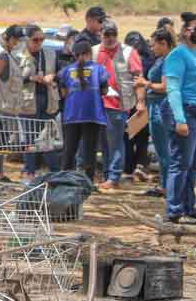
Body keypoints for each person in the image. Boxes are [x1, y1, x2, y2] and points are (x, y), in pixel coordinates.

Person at [162, 12, 196, 223]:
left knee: (194, 165)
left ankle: (189, 208)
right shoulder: (177, 55)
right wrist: (180, 119)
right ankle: (174, 210)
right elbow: (172, 89)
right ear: (185, 31)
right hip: (186, 113)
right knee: (180, 164)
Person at [94, 19, 144, 190]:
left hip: (118, 105)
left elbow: (138, 79)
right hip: (97, 105)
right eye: (106, 34)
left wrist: (140, 102)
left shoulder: (129, 52)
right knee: (104, 142)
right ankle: (108, 174)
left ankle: (114, 176)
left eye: (113, 34)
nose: (110, 38)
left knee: (115, 141)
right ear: (101, 34)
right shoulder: (94, 51)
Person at [0, 24, 32, 181]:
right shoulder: (2, 55)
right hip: (1, 105)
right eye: (15, 40)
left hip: (8, 106)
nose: (18, 43)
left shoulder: (10, 55)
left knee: (1, 140)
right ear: (8, 38)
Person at [58, 40, 109, 180]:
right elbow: (104, 91)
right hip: (92, 115)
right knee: (89, 151)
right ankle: (87, 182)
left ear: (74, 54)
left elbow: (63, 94)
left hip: (71, 115)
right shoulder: (99, 70)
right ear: (90, 53)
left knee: (69, 150)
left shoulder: (66, 71)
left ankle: (64, 180)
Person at [134, 29, 175, 197]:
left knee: (164, 149)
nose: (151, 49)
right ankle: (164, 183)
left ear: (163, 43)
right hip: (154, 106)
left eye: (153, 45)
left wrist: (146, 83)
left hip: (162, 107)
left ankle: (167, 186)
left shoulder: (169, 61)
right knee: (160, 149)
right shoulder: (161, 60)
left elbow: (165, 87)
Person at [19, 24, 61, 181]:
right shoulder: (18, 55)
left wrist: (53, 76)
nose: (39, 43)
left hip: (48, 100)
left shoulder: (50, 54)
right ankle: (29, 171)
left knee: (47, 138)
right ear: (27, 40)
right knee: (30, 138)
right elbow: (11, 79)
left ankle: (55, 172)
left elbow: (59, 72)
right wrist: (30, 78)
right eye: (35, 40)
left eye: (42, 39)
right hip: (27, 102)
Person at [123, 30, 152, 181]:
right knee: (140, 137)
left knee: (130, 136)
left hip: (135, 101)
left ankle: (131, 167)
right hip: (139, 102)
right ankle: (138, 166)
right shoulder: (149, 58)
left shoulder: (127, 57)